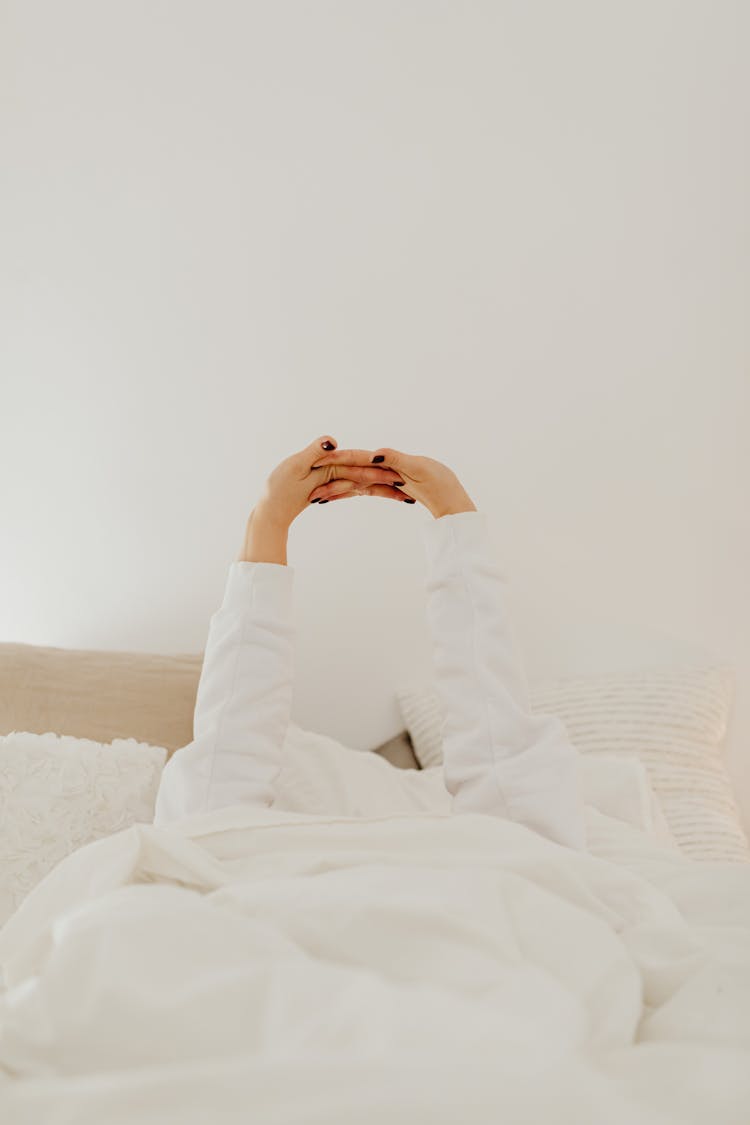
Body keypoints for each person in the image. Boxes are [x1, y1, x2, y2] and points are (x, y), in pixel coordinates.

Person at [153, 435, 587, 850]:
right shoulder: (525, 870)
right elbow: (505, 766)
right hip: (499, 890)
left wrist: (267, 521)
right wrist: (455, 515)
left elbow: (214, 797)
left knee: (206, 829)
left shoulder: (214, 873)